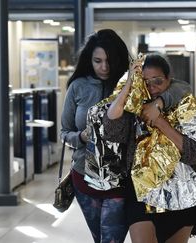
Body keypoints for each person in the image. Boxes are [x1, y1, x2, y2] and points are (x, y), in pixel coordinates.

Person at [106, 54, 196, 243]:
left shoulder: (186, 107)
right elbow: (111, 130)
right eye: (146, 83)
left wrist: (159, 121)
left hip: (182, 192)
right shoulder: (135, 108)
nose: (152, 88)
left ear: (169, 80)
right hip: (142, 194)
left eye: (158, 81)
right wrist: (128, 87)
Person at [60, 29, 131, 243]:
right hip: (84, 177)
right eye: (98, 61)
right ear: (89, 60)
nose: (104, 67)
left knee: (111, 240)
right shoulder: (78, 87)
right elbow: (65, 132)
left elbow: (175, 87)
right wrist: (81, 137)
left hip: (120, 179)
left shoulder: (129, 86)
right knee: (99, 238)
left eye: (109, 60)